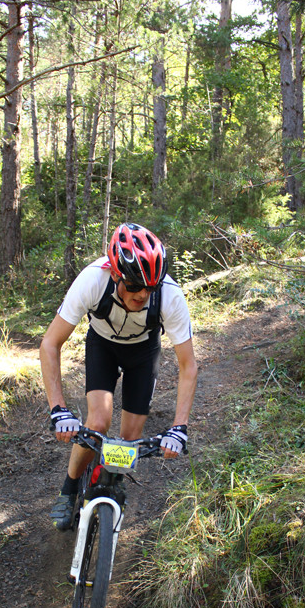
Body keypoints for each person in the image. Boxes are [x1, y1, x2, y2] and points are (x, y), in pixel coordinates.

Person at [39, 222, 198, 531]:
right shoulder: (92, 279)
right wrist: (58, 408)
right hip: (103, 346)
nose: (143, 295)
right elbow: (49, 344)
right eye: (136, 287)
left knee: (129, 439)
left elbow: (188, 366)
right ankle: (69, 489)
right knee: (97, 422)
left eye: (149, 289)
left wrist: (179, 427)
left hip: (143, 352)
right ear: (115, 274)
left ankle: (113, 481)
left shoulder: (169, 296)